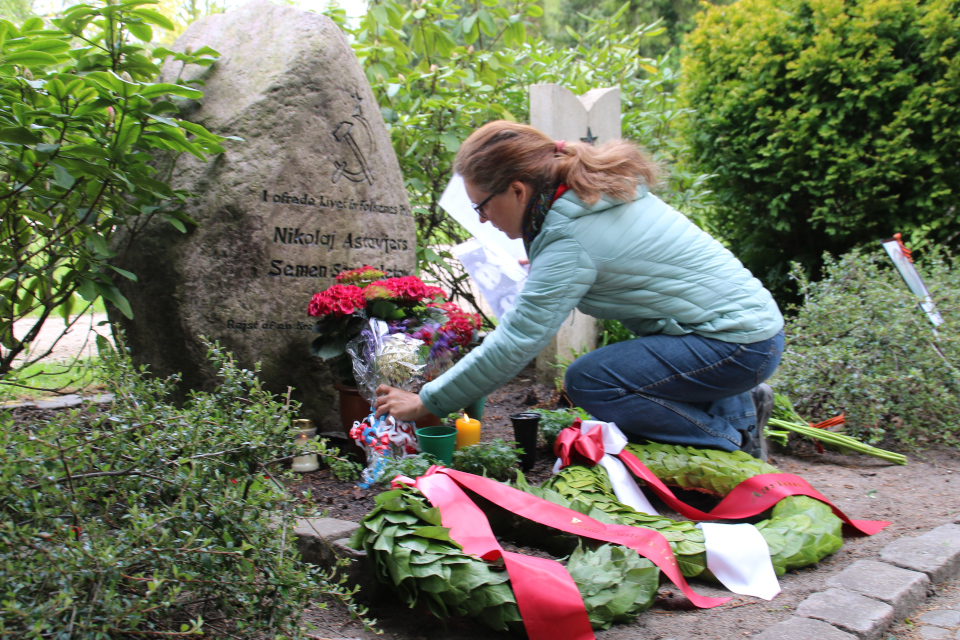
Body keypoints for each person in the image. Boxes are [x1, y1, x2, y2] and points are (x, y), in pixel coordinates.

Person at [374, 121, 784, 458]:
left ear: (518, 190)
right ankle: (745, 407)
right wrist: (546, 266)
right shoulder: (582, 198)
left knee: (590, 380)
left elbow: (515, 343)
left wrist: (427, 402)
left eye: (481, 206)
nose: (481, 220)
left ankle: (732, 443)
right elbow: (604, 253)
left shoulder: (569, 237)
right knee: (618, 372)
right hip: (749, 333)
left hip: (736, 346)